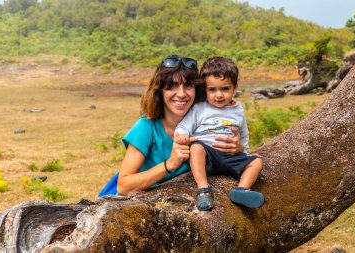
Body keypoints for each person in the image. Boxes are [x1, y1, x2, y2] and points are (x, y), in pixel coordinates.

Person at [99, 55, 244, 196]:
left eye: (188, 85)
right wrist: (170, 164)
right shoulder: (147, 127)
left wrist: (238, 149)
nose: (181, 94)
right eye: (172, 86)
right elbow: (123, 186)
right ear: (159, 91)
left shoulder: (206, 126)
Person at [174, 56, 264, 211]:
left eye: (225, 89)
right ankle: (203, 190)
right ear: (205, 89)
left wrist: (244, 151)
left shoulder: (238, 109)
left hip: (230, 156)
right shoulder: (200, 108)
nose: (219, 95)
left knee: (256, 162)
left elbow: (243, 133)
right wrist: (182, 134)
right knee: (196, 148)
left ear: (235, 88)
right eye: (212, 90)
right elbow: (183, 126)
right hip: (208, 155)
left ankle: (241, 190)